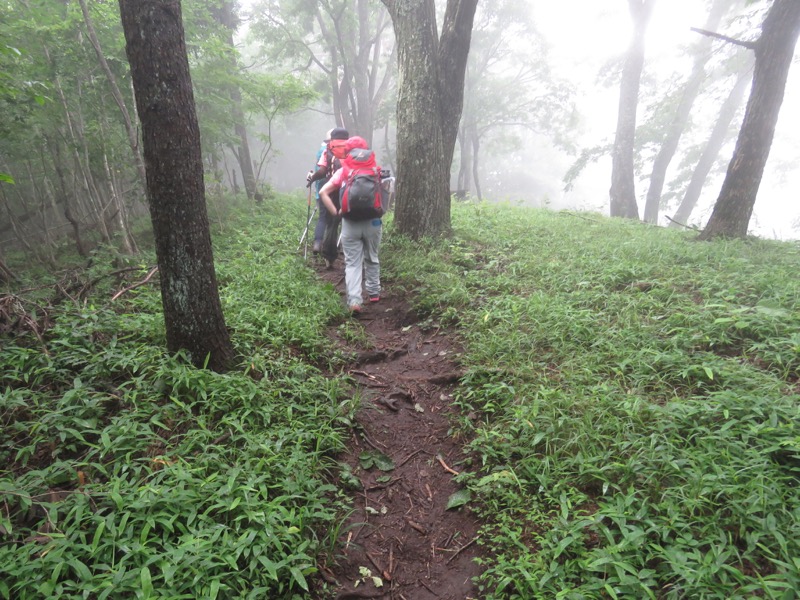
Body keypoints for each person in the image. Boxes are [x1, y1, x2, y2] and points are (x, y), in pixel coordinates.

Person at [318, 136, 383, 314]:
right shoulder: (375, 169)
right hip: (373, 221)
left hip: (350, 222)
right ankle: (374, 292)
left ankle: (355, 301)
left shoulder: (344, 171)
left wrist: (335, 212)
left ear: (348, 152)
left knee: (353, 263)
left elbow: (324, 192)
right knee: (372, 256)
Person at [306, 127, 349, 266]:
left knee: (332, 223)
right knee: (349, 222)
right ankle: (352, 257)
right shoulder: (352, 150)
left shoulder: (328, 150)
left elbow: (323, 171)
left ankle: (329, 258)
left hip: (331, 190)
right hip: (349, 190)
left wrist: (312, 178)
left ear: (332, 138)